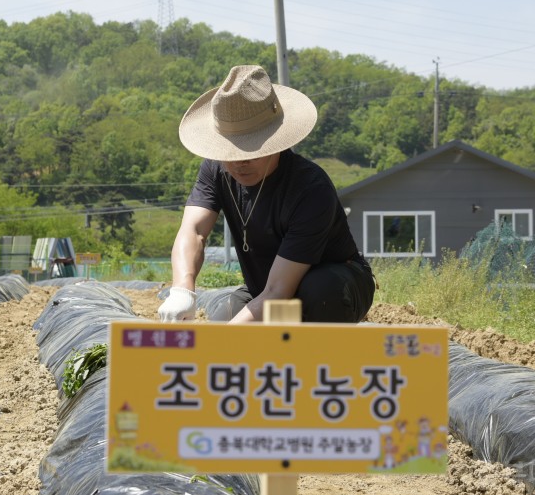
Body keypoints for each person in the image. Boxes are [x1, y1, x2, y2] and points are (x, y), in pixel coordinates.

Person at [158, 65, 376, 324]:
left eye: (250, 152)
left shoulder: (310, 188)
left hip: (334, 286)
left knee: (319, 293)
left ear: (274, 140)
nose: (239, 163)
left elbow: (279, 292)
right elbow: (194, 230)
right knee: (222, 319)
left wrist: (221, 343)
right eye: (230, 152)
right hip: (267, 290)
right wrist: (182, 289)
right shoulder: (215, 169)